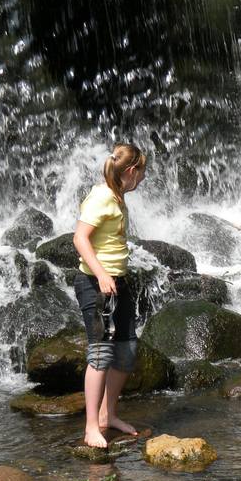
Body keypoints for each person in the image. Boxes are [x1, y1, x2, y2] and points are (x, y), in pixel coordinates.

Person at [72, 143, 146, 448]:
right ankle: (91, 427)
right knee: (101, 354)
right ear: (130, 171)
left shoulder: (118, 196)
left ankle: (108, 415)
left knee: (126, 350)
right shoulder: (101, 196)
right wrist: (102, 274)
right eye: (142, 172)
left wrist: (112, 275)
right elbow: (80, 238)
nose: (144, 178)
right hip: (94, 283)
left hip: (117, 282)